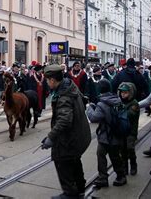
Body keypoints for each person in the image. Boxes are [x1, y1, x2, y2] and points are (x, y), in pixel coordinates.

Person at [41, 64, 91, 199]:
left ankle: (70, 193)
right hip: (79, 134)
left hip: (70, 138)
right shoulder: (69, 85)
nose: (46, 83)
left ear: (52, 80)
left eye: (47, 80)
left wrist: (51, 137)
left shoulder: (64, 95)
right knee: (74, 160)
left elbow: (64, 120)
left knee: (62, 160)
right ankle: (80, 189)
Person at [86, 79, 127, 188]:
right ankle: (120, 176)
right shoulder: (117, 100)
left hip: (106, 135)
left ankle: (103, 177)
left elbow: (94, 118)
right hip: (117, 133)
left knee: (101, 155)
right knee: (115, 156)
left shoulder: (101, 103)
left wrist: (89, 108)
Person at [118, 82, 140, 176]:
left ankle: (133, 164)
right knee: (122, 150)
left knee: (130, 148)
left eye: (125, 92)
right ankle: (124, 167)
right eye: (122, 92)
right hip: (121, 131)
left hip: (131, 131)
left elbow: (130, 115)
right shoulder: (119, 102)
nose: (123, 94)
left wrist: (120, 109)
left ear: (130, 93)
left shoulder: (134, 103)